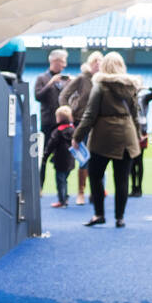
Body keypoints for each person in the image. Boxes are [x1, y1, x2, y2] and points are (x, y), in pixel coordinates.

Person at [73, 52, 143, 228]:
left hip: (103, 137)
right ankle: (120, 218)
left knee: (95, 175)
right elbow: (136, 114)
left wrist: (77, 136)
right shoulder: (131, 86)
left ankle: (99, 214)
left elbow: (89, 115)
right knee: (122, 180)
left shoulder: (100, 86)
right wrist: (139, 134)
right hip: (126, 136)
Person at [59, 50, 103, 204]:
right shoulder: (82, 79)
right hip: (81, 122)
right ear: (90, 64)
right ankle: (81, 192)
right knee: (83, 159)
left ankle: (97, 191)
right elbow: (63, 95)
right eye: (95, 63)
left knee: (99, 158)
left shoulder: (103, 80)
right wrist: (68, 112)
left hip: (98, 123)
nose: (98, 66)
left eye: (100, 63)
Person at [34, 49, 71, 186]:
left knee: (64, 158)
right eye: (62, 61)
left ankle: (62, 193)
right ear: (55, 61)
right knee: (43, 156)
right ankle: (39, 188)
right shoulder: (42, 78)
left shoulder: (65, 80)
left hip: (64, 126)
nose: (65, 65)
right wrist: (51, 83)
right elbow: (38, 97)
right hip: (48, 124)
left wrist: (71, 84)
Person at [41, 105, 76, 207]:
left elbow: (50, 145)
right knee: (65, 179)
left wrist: (45, 157)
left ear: (58, 118)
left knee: (60, 181)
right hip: (70, 160)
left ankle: (62, 200)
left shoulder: (57, 131)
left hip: (60, 160)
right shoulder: (73, 130)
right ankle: (65, 197)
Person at [130, 83, 152, 198]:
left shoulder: (144, 98)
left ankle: (139, 188)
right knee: (132, 162)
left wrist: (144, 87)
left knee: (139, 161)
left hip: (142, 132)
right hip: (131, 132)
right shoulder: (127, 99)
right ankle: (133, 187)